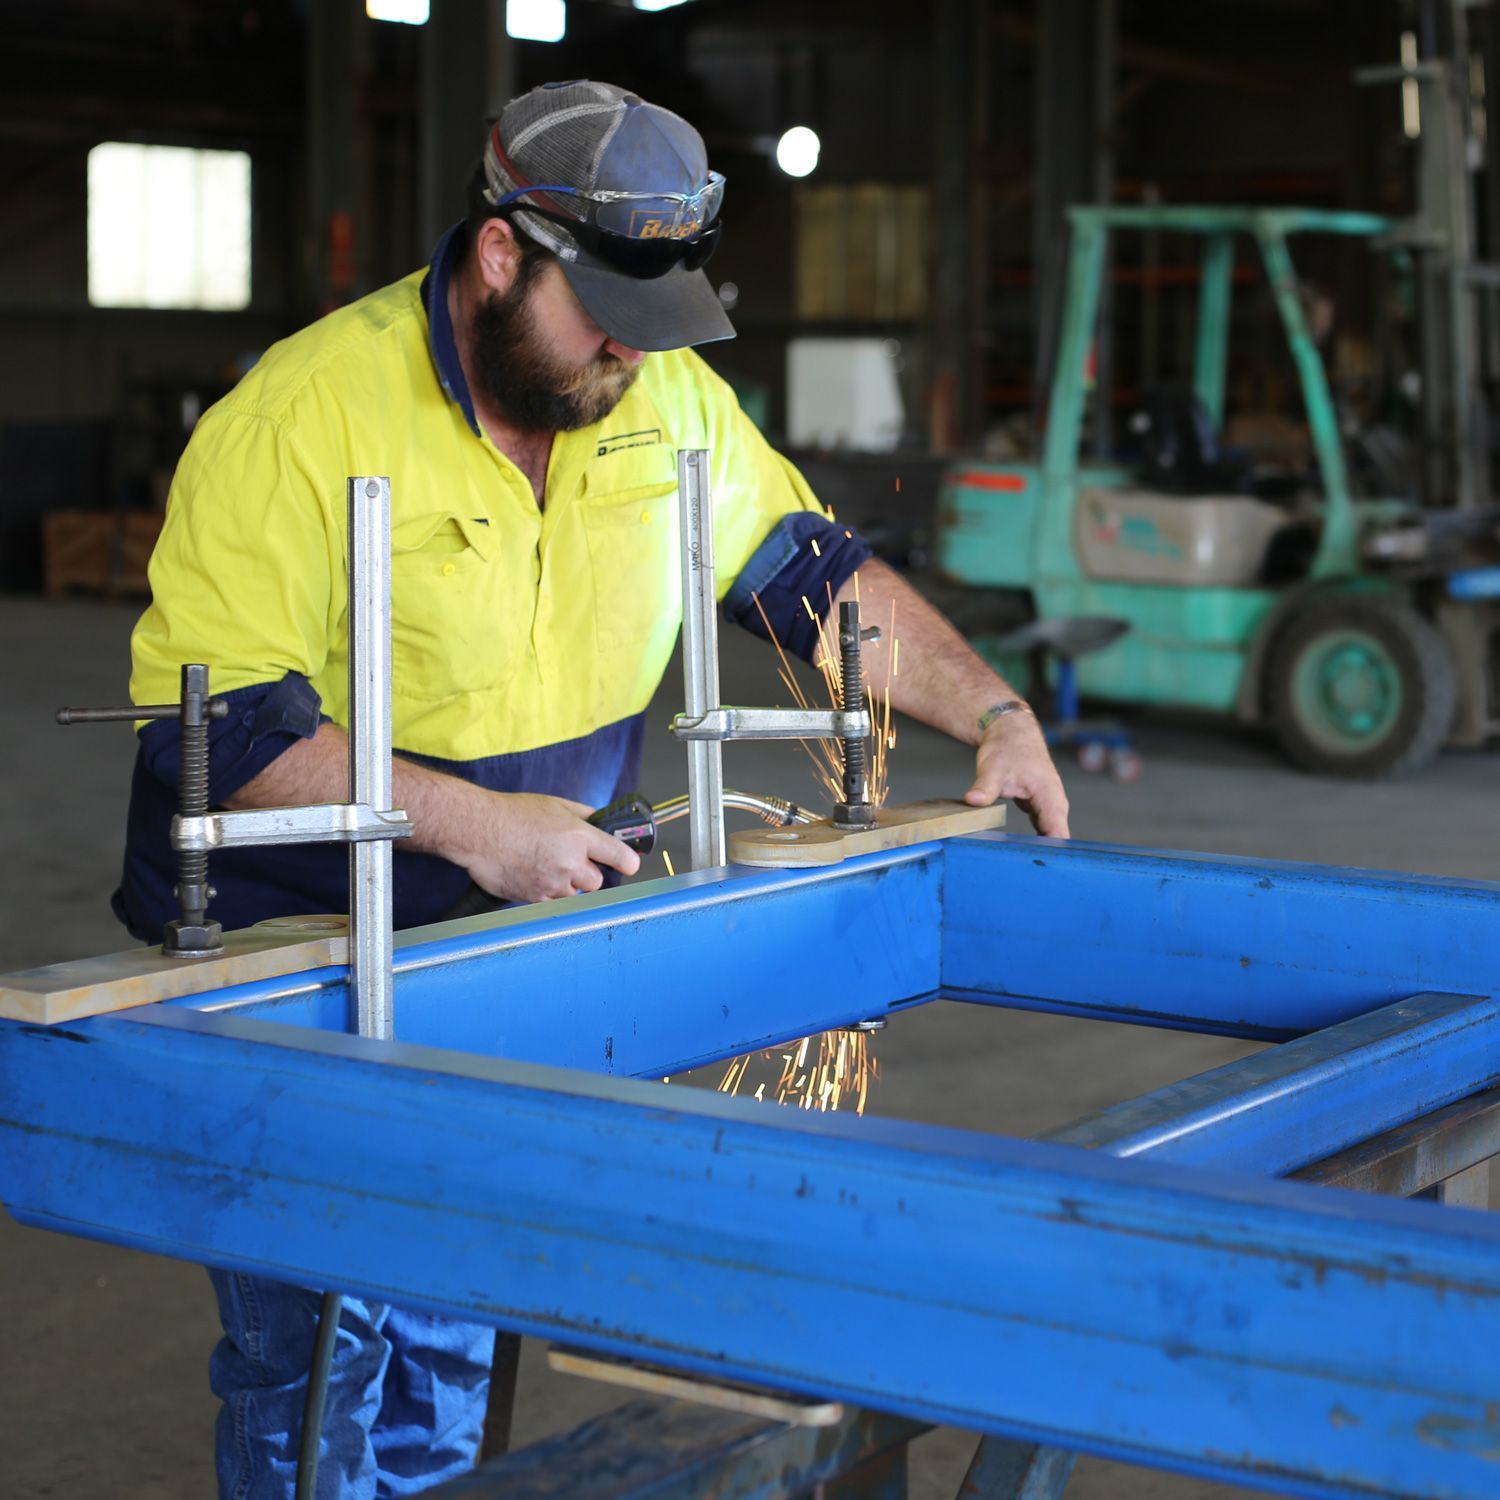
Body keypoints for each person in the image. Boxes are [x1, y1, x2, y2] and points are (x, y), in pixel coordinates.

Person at [115, 79, 1068, 1499]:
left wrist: (994, 710)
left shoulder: (661, 392)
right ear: (503, 253)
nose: (630, 350)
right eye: (606, 314)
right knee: (320, 1343)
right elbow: (222, 740)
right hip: (299, 955)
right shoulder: (299, 421)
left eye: (654, 319)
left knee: (453, 1311)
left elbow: (816, 582)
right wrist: (480, 828)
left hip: (517, 945)